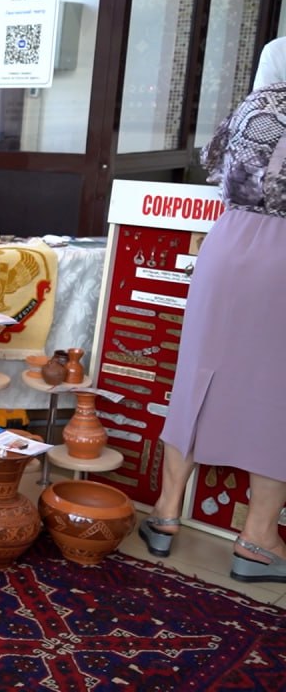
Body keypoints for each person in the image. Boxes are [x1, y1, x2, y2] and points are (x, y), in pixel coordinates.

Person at [139, 71, 286, 583]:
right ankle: (258, 539)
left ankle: (164, 513)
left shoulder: (250, 110)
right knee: (278, 394)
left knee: (197, 375)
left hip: (224, 246)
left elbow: (219, 174)